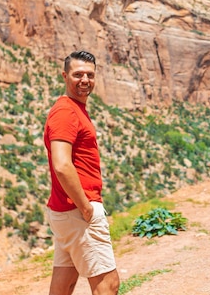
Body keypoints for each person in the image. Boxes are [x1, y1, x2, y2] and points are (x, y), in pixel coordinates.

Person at [44, 50, 120, 295]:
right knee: (108, 286)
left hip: (66, 212)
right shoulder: (66, 111)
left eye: (90, 74)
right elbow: (62, 165)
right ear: (65, 76)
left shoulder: (74, 108)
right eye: (78, 75)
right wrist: (86, 207)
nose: (84, 80)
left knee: (63, 285)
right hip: (78, 211)